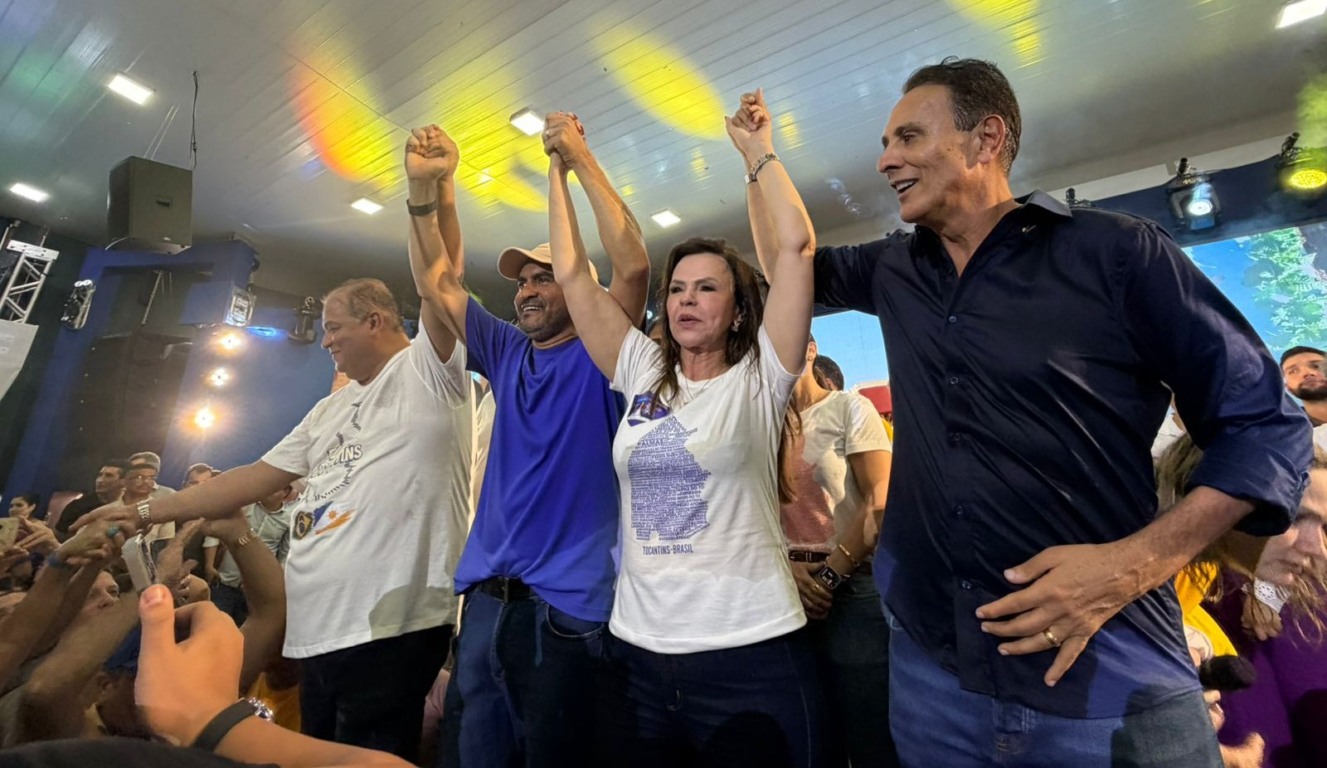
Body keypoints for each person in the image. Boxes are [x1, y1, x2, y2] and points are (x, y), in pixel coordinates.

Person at [743, 58, 1311, 766]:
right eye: (886, 144)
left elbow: (1262, 424)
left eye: (908, 138)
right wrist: (757, 156)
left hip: (1106, 678)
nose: (886, 160)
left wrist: (1133, 565)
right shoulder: (893, 268)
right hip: (934, 677)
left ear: (986, 139)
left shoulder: (1114, 252)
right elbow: (790, 262)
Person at [72, 276, 473, 761]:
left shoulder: (428, 371)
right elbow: (254, 476)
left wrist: (428, 229)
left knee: (363, 757)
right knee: (316, 754)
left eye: (333, 327)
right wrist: (141, 511)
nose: (325, 341)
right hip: (319, 626)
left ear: (375, 321)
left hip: (387, 623)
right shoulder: (331, 408)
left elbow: (437, 279)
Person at [539, 93, 820, 764]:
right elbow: (572, 274)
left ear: (738, 310)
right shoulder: (641, 370)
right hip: (638, 656)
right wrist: (561, 165)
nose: (686, 299)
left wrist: (758, 152)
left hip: (750, 651)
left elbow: (795, 248)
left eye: (707, 288)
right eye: (677, 289)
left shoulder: (760, 377)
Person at [404, 118, 648, 766]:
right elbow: (437, 282)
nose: (528, 291)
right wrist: (426, 192)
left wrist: (576, 159)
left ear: (580, 289)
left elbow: (632, 264)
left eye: (544, 277)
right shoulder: (508, 350)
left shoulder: (609, 355)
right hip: (487, 606)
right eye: (522, 281)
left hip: (567, 614)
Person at [0, 583, 414, 768]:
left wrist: (236, 532)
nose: (176, 677)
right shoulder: (74, 747)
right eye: (149, 671)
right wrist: (208, 719)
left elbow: (271, 610)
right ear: (104, 686)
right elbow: (44, 692)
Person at [780, 336, 896, 767]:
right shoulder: (761, 423)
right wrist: (785, 569)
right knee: (810, 738)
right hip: (784, 594)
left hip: (852, 592)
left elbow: (880, 498)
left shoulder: (849, 408)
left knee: (869, 738)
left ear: (810, 349)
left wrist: (829, 576)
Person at [211, 484, 291, 626]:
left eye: (275, 488)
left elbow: (283, 557)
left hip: (256, 588)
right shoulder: (245, 507)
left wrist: (273, 585)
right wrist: (209, 564)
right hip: (225, 580)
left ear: (285, 492)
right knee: (214, 624)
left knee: (243, 629)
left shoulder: (288, 520)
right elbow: (216, 533)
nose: (269, 490)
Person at [53, 460, 128, 541]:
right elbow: (59, 534)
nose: (100, 480)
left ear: (123, 482)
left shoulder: (127, 508)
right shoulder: (78, 505)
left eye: (108, 476)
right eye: (99, 475)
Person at [1281, 345, 1327, 451]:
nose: (1307, 373)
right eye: (1293, 371)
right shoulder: (1289, 435)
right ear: (1287, 387)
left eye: (1316, 366)